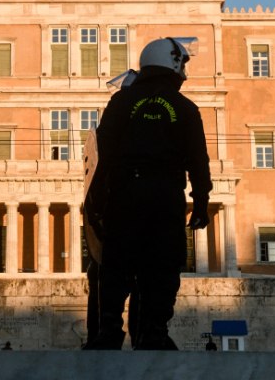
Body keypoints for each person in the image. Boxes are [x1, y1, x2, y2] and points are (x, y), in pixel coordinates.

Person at [89, 38, 212, 350]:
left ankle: (109, 333)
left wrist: (96, 201)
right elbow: (198, 160)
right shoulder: (185, 109)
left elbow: (101, 154)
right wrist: (201, 202)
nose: (184, 70)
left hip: (125, 194)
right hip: (166, 196)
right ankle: (154, 332)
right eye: (182, 64)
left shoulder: (121, 102)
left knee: (116, 266)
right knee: (162, 267)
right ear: (172, 63)